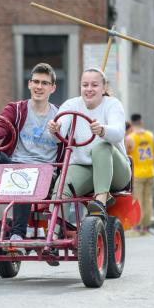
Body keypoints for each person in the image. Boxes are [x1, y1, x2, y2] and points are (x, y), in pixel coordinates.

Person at [0, 63, 61, 241]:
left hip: (45, 171)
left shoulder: (59, 115)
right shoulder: (17, 109)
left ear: (52, 88)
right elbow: (2, 126)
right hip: (16, 164)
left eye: (44, 83)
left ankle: (18, 233)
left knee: (26, 173)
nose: (39, 87)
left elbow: (68, 140)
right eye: (35, 82)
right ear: (29, 84)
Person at [48, 68, 131, 220]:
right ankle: (55, 234)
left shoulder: (112, 104)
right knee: (61, 188)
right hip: (84, 167)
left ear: (103, 88)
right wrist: (55, 129)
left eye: (94, 85)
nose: (89, 89)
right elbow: (58, 138)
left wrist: (102, 130)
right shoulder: (71, 104)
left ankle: (100, 201)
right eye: (85, 85)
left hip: (116, 170)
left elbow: (119, 132)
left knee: (101, 146)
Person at [125, 113, 154, 234]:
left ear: (132, 123)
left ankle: (137, 226)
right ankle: (146, 226)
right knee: (148, 200)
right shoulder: (150, 136)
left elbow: (125, 154)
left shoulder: (130, 138)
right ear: (142, 122)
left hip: (137, 173)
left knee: (137, 200)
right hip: (150, 171)